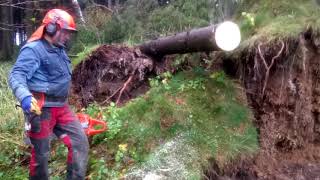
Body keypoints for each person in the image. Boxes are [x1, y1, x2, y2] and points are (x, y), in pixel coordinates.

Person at [8, 9, 89, 180]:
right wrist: (25, 96)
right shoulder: (33, 50)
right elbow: (16, 75)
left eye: (69, 33)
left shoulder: (59, 49)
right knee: (41, 156)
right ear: (52, 28)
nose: (67, 37)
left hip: (62, 106)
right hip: (42, 109)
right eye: (65, 32)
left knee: (79, 143)